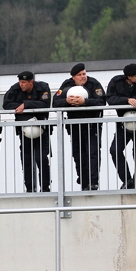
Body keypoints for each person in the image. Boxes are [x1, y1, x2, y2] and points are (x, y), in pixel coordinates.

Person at [53, 63, 106, 191]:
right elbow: (55, 102)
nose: (83, 77)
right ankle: (83, 180)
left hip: (92, 125)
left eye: (84, 74)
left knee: (92, 153)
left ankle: (93, 182)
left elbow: (102, 101)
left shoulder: (93, 83)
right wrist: (67, 101)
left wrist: (85, 102)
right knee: (78, 154)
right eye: (79, 75)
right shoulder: (67, 85)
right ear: (73, 77)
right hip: (74, 125)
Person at [3, 71, 52, 192]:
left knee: (41, 158)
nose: (21, 85)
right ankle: (30, 188)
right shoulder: (15, 89)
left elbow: (44, 104)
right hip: (24, 130)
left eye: (24, 82)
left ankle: (45, 187)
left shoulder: (43, 87)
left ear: (31, 82)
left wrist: (25, 105)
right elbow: (6, 104)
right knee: (26, 159)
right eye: (20, 82)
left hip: (41, 130)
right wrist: (23, 106)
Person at [107, 63, 136, 189]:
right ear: (128, 77)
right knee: (115, 150)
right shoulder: (116, 81)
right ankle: (127, 180)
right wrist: (126, 100)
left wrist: (131, 100)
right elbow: (110, 99)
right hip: (123, 124)